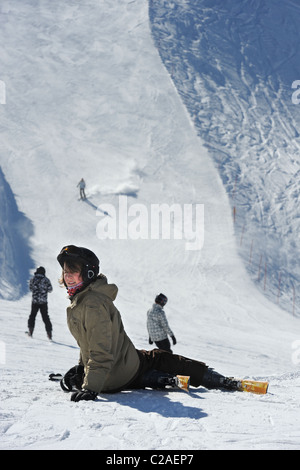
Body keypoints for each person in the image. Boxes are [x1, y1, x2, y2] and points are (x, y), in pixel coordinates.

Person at [57, 245, 243, 402]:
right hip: (117, 374)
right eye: (66, 271)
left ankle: (152, 378)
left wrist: (83, 372)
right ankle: (218, 380)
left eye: (73, 271)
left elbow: (89, 345)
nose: (68, 276)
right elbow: (99, 350)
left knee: (143, 362)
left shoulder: (82, 303)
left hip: (107, 377)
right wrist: (89, 386)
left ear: (88, 272)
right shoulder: (93, 302)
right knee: (160, 358)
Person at [28, 266, 53, 340]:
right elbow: (50, 289)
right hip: (43, 302)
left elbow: (30, 288)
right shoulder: (46, 280)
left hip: (35, 301)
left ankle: (30, 331)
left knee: (32, 316)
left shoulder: (33, 279)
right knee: (45, 317)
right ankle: (49, 334)